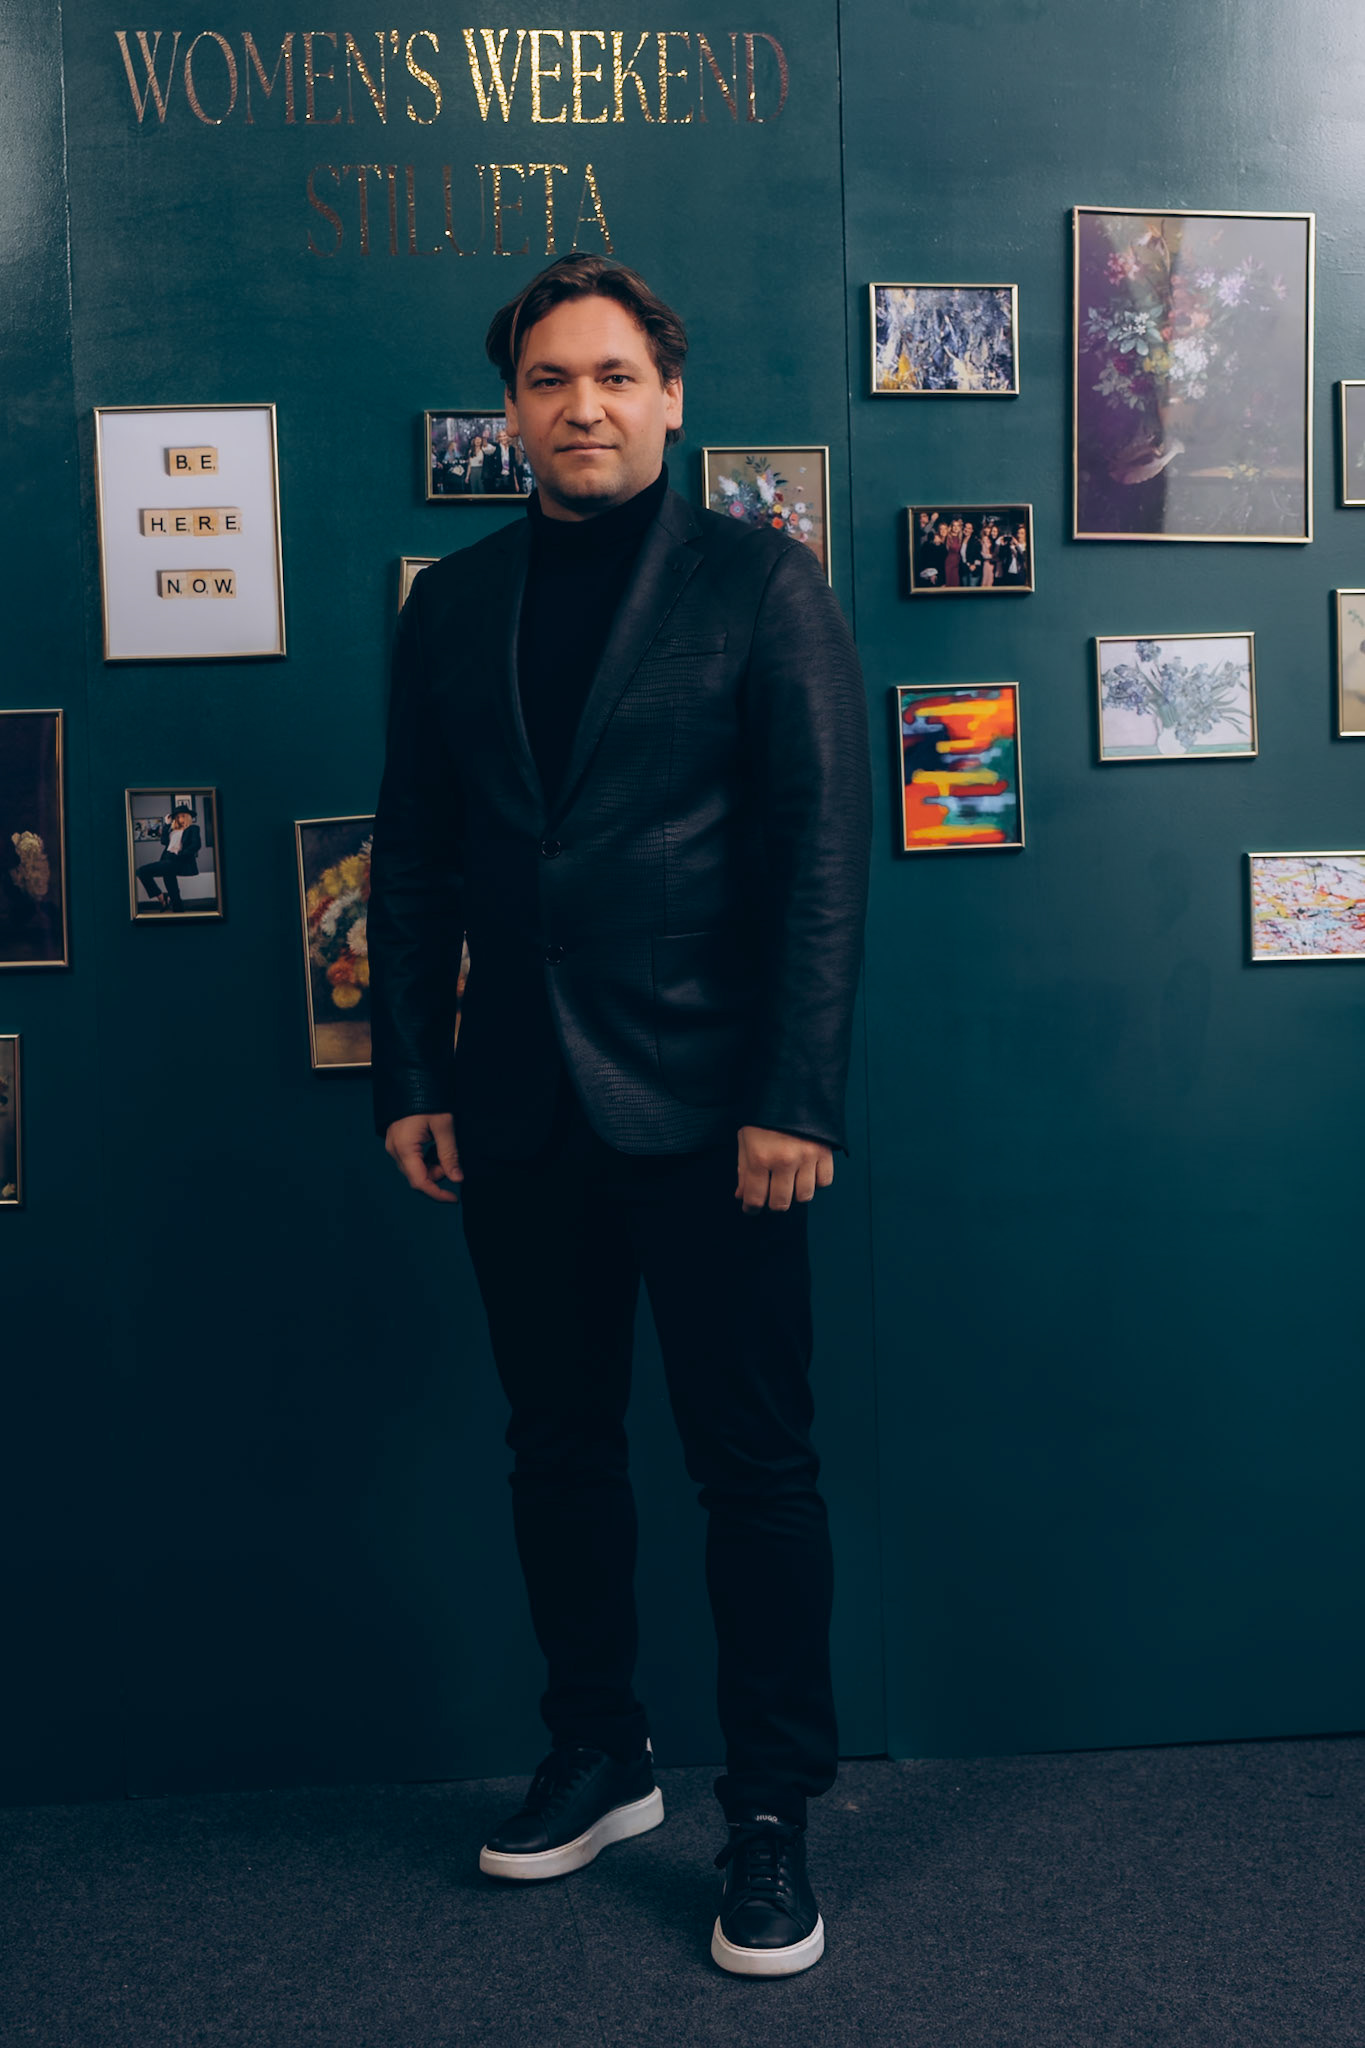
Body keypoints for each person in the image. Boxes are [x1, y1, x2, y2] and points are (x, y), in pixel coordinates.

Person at [368, 253, 871, 1978]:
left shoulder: (763, 583)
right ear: (509, 410)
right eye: (546, 380)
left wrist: (794, 1095)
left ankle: (772, 1815)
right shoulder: (453, 604)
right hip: (516, 1105)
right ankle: (600, 1751)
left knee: (756, 1470)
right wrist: (413, 1075)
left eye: (611, 376)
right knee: (557, 1448)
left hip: (722, 1115)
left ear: (669, 397)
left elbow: (821, 861)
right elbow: (414, 856)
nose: (579, 405)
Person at [137, 805, 200, 912]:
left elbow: (196, 845)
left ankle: (161, 897)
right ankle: (178, 909)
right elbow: (164, 841)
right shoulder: (172, 829)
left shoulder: (193, 828)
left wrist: (180, 854)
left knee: (142, 871)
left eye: (182, 816)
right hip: (166, 858)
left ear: (187, 816)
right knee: (172, 887)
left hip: (177, 859)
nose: (180, 819)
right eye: (177, 817)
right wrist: (166, 824)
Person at [483, 426, 524, 494]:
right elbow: (485, 449)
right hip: (498, 480)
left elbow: (513, 467)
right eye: (501, 436)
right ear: (498, 438)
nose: (503, 438)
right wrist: (485, 438)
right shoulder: (495, 447)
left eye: (504, 436)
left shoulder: (511, 449)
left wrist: (516, 483)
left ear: (507, 437)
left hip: (509, 479)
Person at [960, 519, 982, 588]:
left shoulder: (975, 541)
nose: (966, 530)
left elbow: (979, 555)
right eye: (965, 527)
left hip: (973, 570)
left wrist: (975, 565)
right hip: (964, 569)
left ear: (972, 530)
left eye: (969, 528)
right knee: (964, 589)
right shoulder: (961, 539)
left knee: (972, 589)